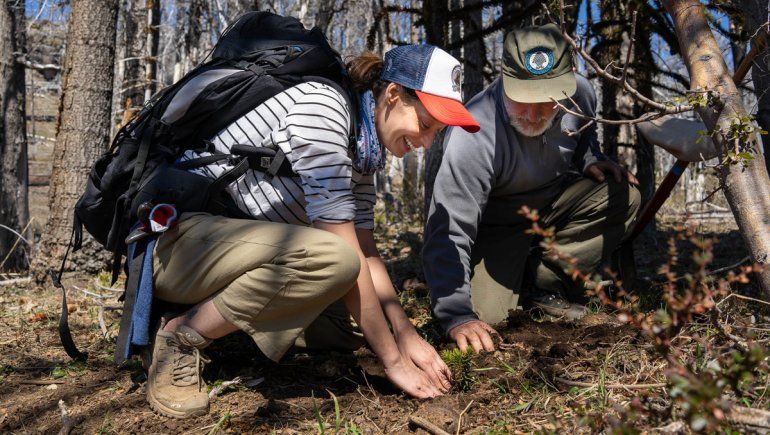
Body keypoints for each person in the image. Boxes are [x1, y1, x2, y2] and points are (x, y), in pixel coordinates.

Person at [144, 44, 480, 418]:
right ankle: (182, 334)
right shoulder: (323, 111)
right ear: (392, 95)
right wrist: (393, 362)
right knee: (333, 260)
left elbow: (367, 250)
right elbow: (345, 251)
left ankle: (225, 322)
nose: (427, 142)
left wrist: (405, 335)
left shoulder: (363, 148)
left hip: (233, 254)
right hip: (179, 247)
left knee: (357, 327)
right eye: (426, 124)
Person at [423, 24, 641, 354]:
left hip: (552, 204)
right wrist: (455, 314)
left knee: (622, 194)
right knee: (488, 321)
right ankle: (511, 279)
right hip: (496, 227)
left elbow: (582, 137)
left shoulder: (580, 95)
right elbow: (449, 229)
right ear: (504, 82)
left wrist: (590, 160)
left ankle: (544, 281)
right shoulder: (474, 134)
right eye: (522, 99)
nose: (534, 114)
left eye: (547, 101)